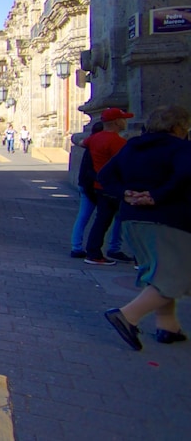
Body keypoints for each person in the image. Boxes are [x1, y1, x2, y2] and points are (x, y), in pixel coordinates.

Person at [98, 105, 191, 351]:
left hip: (132, 219)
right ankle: (128, 315)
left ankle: (167, 325)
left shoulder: (132, 146)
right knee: (177, 275)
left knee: (160, 271)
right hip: (169, 219)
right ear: (179, 127)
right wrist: (156, 196)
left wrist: (124, 193)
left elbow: (106, 175)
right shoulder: (181, 148)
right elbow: (184, 176)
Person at [82, 108, 136, 265]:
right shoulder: (118, 142)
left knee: (102, 220)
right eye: (124, 119)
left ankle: (93, 252)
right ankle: (132, 255)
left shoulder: (94, 138)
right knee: (126, 221)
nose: (125, 122)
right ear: (117, 122)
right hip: (115, 186)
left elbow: (81, 142)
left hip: (99, 185)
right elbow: (126, 164)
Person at [70, 121, 110, 258]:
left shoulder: (89, 145)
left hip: (86, 184)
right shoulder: (97, 146)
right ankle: (108, 248)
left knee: (83, 217)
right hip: (93, 186)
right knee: (103, 218)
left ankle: (76, 246)